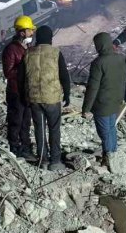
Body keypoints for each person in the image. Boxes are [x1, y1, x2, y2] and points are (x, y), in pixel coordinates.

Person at [20, 25, 71, 170]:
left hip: (34, 98)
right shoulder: (55, 53)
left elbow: (21, 78)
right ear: (50, 38)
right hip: (52, 98)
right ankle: (55, 161)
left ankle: (43, 160)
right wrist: (67, 94)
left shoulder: (28, 53)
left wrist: (24, 96)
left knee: (39, 129)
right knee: (54, 129)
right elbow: (64, 75)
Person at [82, 32, 126, 164]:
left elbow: (93, 88)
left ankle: (109, 160)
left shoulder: (98, 62)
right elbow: (123, 79)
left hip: (102, 104)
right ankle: (113, 155)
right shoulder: (120, 58)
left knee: (105, 132)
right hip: (115, 101)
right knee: (111, 129)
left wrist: (86, 108)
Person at [2, 15, 35, 158]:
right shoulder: (11, 49)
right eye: (29, 30)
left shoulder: (28, 47)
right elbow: (8, 72)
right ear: (22, 32)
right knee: (16, 121)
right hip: (15, 92)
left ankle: (26, 148)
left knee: (26, 122)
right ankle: (14, 147)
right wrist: (25, 68)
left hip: (26, 91)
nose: (32, 32)